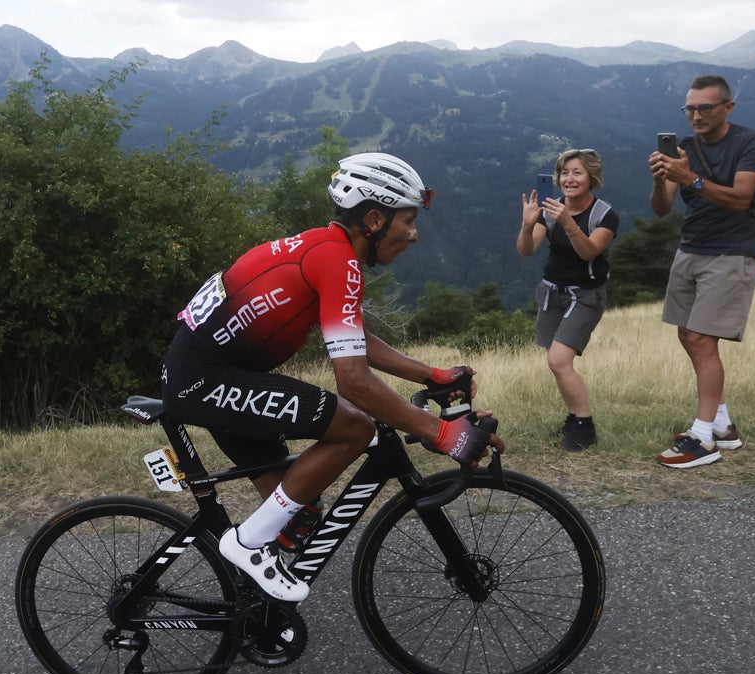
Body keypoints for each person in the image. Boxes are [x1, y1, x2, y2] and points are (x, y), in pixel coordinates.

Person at [160, 152, 504, 602]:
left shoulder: (325, 249)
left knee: (298, 512)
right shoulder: (337, 260)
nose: (414, 235)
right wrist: (440, 433)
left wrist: (431, 374)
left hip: (211, 373)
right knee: (355, 427)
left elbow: (350, 332)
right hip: (206, 379)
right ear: (376, 219)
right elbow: (355, 384)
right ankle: (245, 546)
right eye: (408, 220)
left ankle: (253, 610)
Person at [648, 75, 755, 469]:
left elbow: (740, 199)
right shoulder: (683, 148)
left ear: (727, 108)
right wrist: (661, 181)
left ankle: (701, 439)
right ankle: (722, 424)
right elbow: (663, 208)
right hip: (692, 247)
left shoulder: (750, 142)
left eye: (705, 108)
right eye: (690, 109)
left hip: (732, 251)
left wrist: (690, 179)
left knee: (702, 337)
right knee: (688, 333)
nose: (696, 116)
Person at [517, 149, 619, 451]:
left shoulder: (604, 215)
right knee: (557, 363)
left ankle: (585, 428)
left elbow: (589, 252)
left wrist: (568, 222)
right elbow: (526, 250)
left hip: (585, 295)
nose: (569, 179)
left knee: (559, 360)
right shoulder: (551, 210)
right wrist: (527, 223)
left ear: (591, 177)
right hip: (551, 292)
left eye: (577, 172)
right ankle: (574, 419)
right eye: (564, 172)